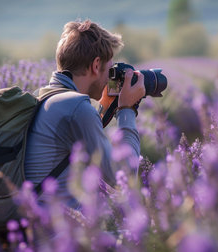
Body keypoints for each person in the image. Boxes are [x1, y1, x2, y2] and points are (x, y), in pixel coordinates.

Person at [24, 19, 145, 209]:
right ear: (96, 65)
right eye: (109, 69)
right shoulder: (76, 106)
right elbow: (122, 176)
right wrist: (127, 109)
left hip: (31, 226)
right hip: (54, 234)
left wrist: (105, 106)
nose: (110, 78)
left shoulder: (44, 99)